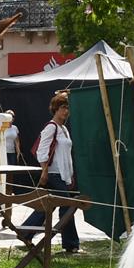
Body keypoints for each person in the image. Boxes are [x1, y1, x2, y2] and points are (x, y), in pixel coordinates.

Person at [34, 90, 81, 254]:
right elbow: (41, 151)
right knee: (67, 207)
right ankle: (71, 244)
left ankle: (26, 233)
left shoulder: (64, 129)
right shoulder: (51, 127)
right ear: (55, 109)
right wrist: (44, 170)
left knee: (47, 206)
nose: (66, 111)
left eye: (67, 108)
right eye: (63, 107)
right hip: (54, 174)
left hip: (63, 175)